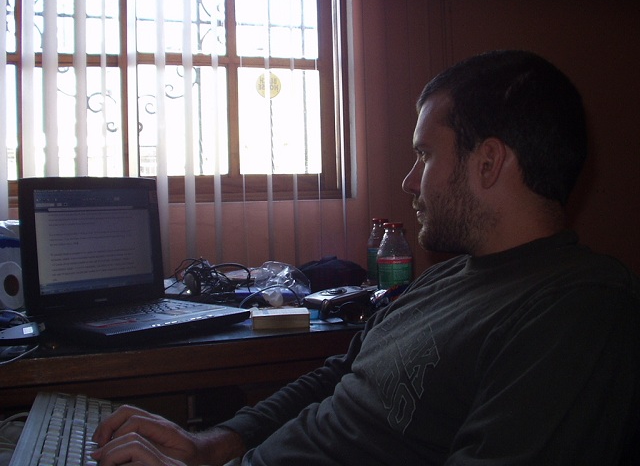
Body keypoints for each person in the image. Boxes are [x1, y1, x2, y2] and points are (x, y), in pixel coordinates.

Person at [92, 50, 640, 465]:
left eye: (424, 154)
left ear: (489, 162)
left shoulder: (580, 310)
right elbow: (341, 374)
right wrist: (213, 443)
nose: (409, 181)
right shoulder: (445, 278)